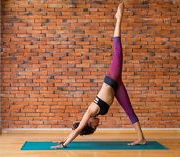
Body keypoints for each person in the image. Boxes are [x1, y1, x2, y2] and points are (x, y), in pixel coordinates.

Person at [51, 2, 146, 149]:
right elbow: (76, 130)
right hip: (117, 86)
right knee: (129, 110)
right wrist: (62, 139)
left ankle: (118, 18)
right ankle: (141, 138)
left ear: (89, 123)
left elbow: (77, 130)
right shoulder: (95, 114)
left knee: (118, 51)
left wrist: (64, 144)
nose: (97, 125)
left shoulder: (90, 112)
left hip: (111, 79)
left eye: (94, 127)